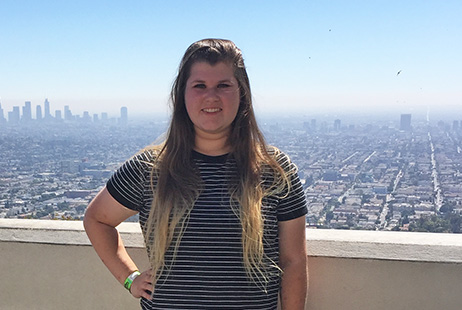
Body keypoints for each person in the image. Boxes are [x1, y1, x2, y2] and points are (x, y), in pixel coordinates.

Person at [83, 38, 308, 309]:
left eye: (223, 85)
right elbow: (97, 219)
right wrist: (130, 279)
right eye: (199, 86)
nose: (211, 96)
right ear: (182, 95)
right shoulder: (149, 170)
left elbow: (293, 261)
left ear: (242, 93)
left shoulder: (274, 171)